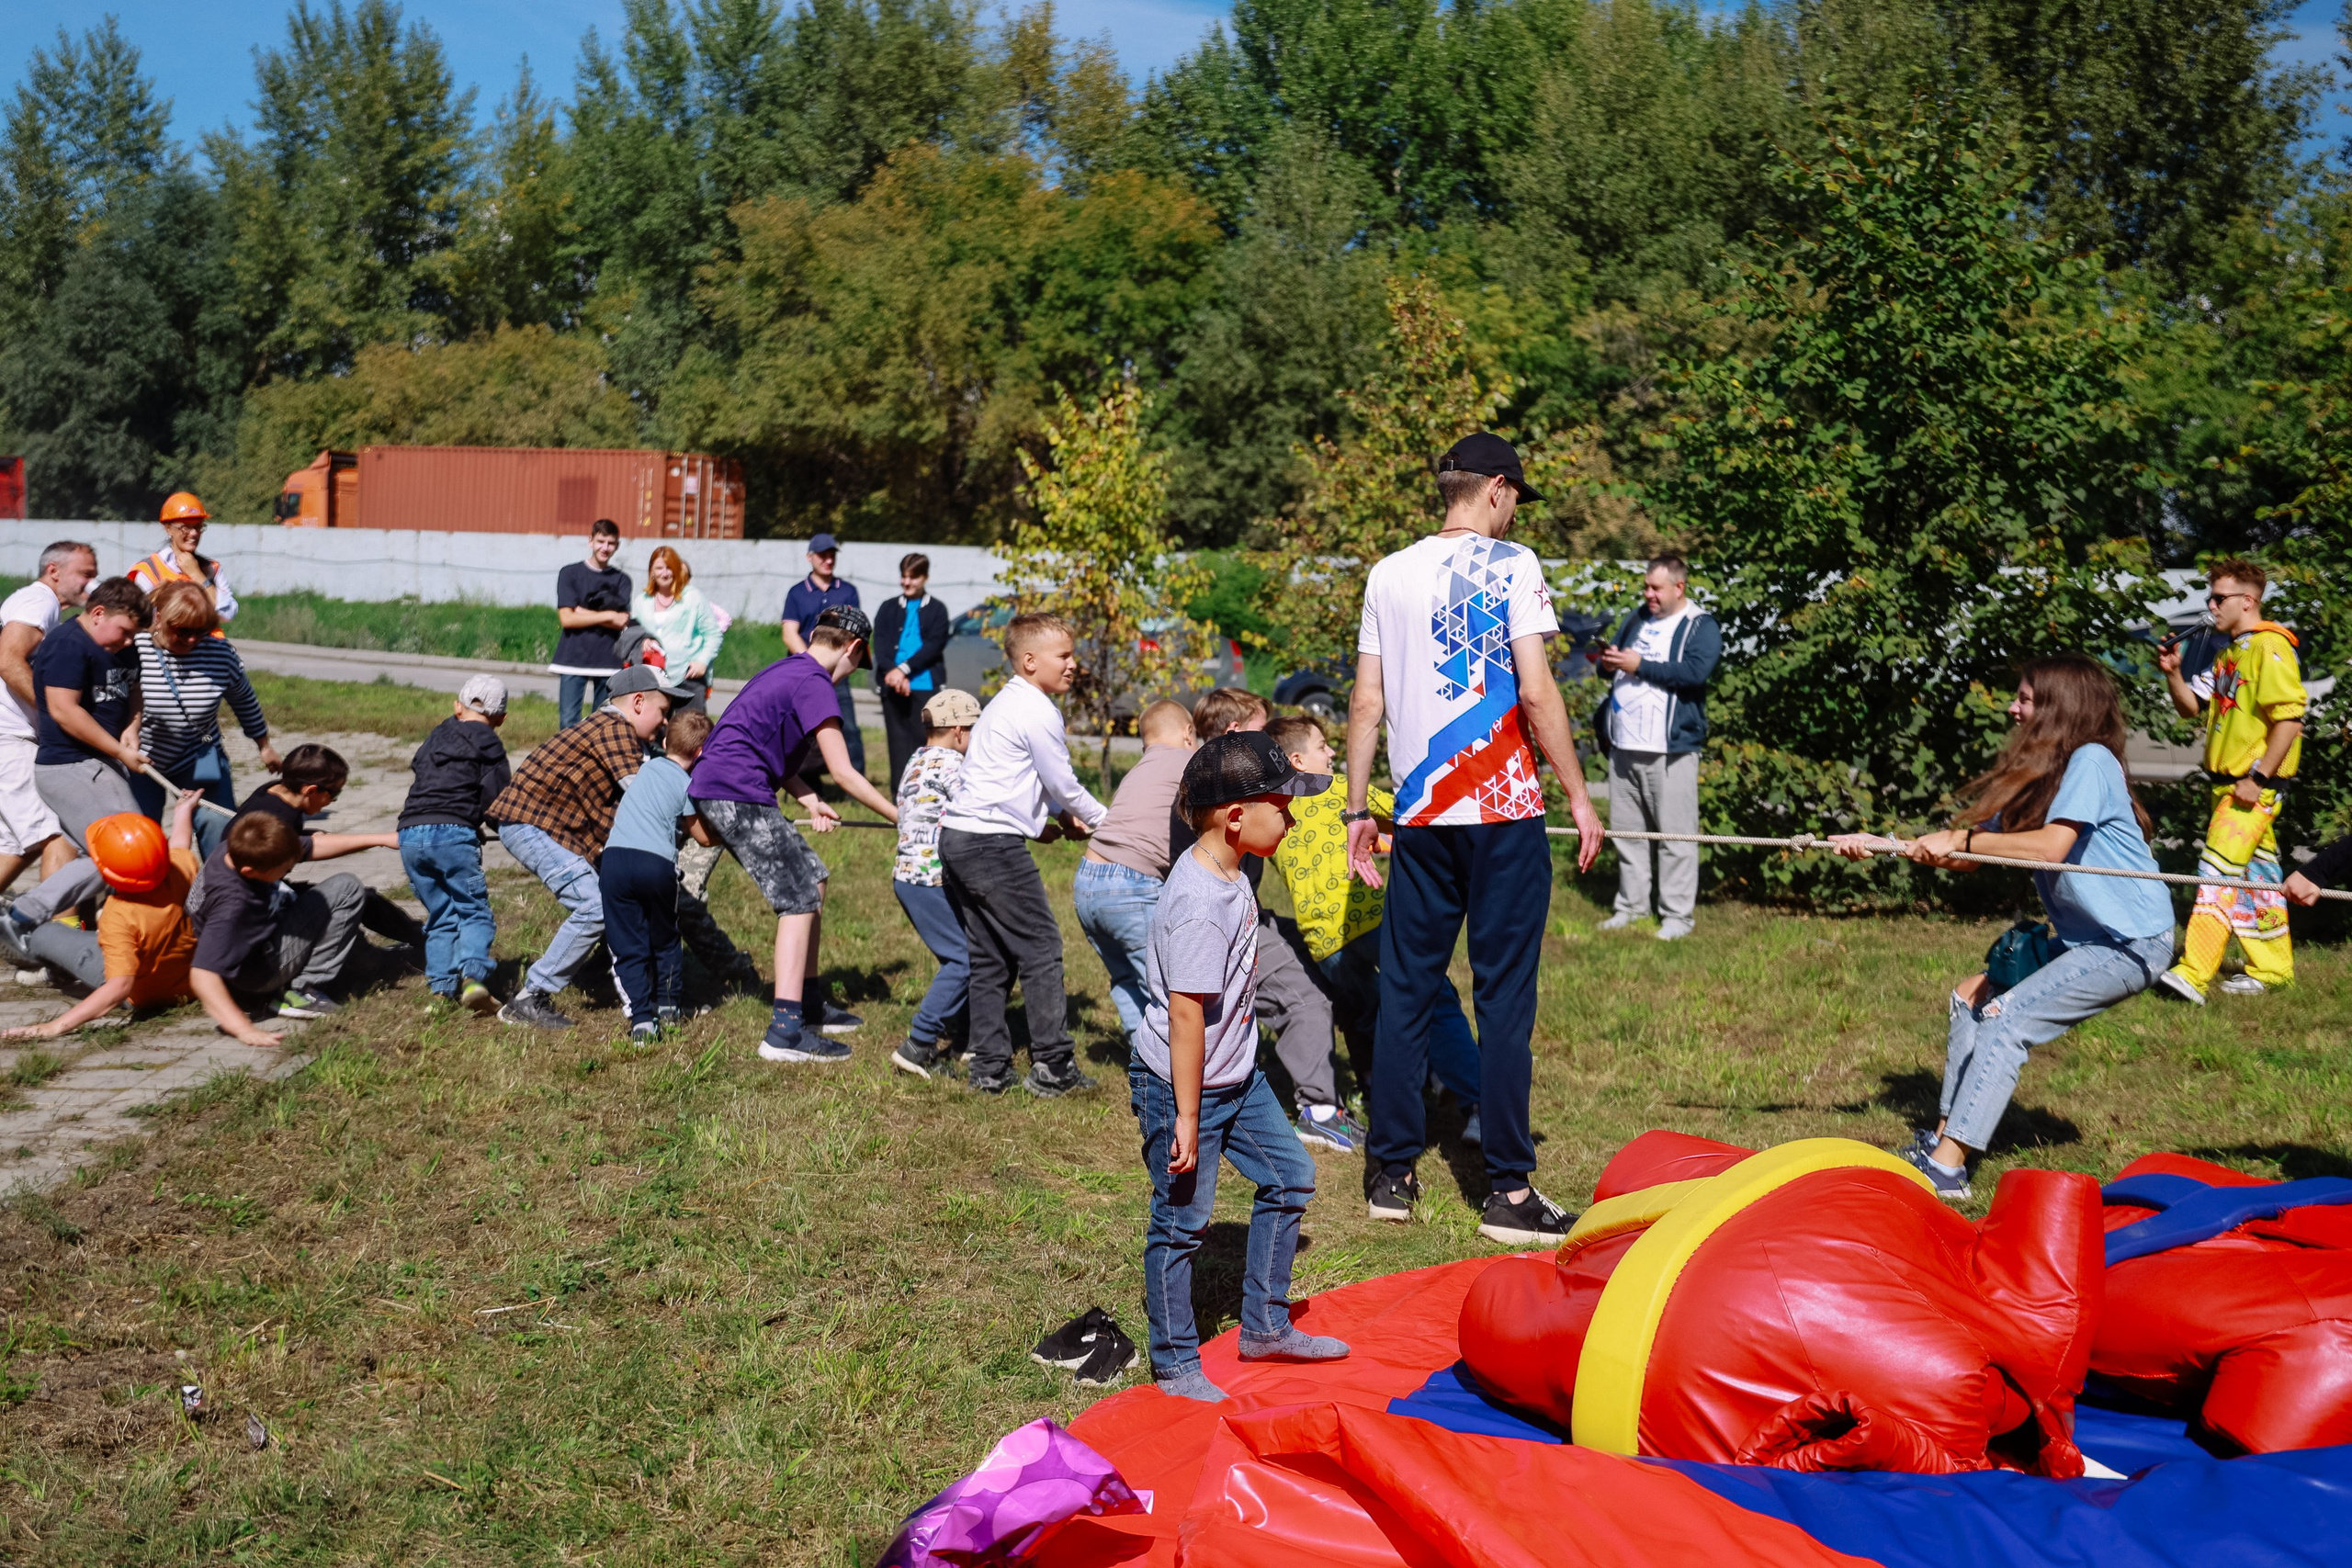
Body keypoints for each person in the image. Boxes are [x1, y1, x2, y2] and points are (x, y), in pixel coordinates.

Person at [1345, 433, 1604, 1247]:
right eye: (1517, 495)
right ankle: (1510, 1193)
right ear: (1495, 488)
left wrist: (1359, 811)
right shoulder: (1512, 564)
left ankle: (1390, 1174)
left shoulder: (1387, 573)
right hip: (1502, 814)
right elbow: (1534, 688)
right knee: (1503, 1001)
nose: (1516, 510)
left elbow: (1364, 702)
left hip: (1419, 819)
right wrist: (1578, 792)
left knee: (1408, 993)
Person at [1831, 655, 2176, 1201]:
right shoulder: (2041, 772)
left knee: (2004, 1019)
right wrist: (1884, 846)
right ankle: (1944, 1140)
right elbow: (1971, 852)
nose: (2014, 709)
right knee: (1972, 997)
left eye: (2026, 699)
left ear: (2059, 708)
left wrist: (1961, 842)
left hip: (2131, 940)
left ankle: (1946, 1172)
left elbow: (2049, 849)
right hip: (2085, 937)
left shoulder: (2092, 760)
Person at [1135, 730, 1348, 1404]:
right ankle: (1174, 1362)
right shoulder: (1199, 901)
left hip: (1236, 1077)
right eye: (1282, 806)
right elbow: (1187, 1015)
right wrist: (1189, 1118)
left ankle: (1264, 1326)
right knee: (1182, 1223)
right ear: (1236, 816)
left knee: (1292, 1174)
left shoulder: (1232, 870)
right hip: (1182, 1085)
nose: (1291, 817)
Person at [690, 604, 899, 1063]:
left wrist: (807, 797)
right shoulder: (815, 683)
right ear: (854, 647)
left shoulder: (789, 669)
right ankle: (784, 1031)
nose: (850, 675)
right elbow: (844, 773)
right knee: (799, 896)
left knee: (813, 875)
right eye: (856, 665)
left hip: (733, 785)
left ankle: (807, 1000)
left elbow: (766, 747)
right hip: (735, 792)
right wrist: (899, 816)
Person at [1265, 715, 1483, 1147]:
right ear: (1297, 759)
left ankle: (1400, 1105)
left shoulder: (1273, 806)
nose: (1331, 753)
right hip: (1374, 922)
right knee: (1433, 1000)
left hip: (1325, 944)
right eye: (1322, 745)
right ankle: (1479, 1104)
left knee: (1380, 1018)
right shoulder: (1341, 788)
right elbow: (1406, 810)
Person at [937, 612, 1106, 1097]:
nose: (1074, 664)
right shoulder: (1037, 709)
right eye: (1065, 656)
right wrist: (1108, 822)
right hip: (990, 845)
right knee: (1040, 947)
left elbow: (1021, 778)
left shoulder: (1005, 703)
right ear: (1031, 661)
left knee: (990, 957)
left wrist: (1047, 817)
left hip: (958, 838)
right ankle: (1053, 1064)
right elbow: (1062, 782)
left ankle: (989, 1067)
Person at [1174, 689, 1350, 1151]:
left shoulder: (1212, 792)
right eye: (1261, 733)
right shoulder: (1205, 897)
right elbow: (1185, 1009)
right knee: (1307, 1001)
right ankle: (1320, 1111)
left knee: (1313, 949)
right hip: (1228, 922)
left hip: (1246, 908)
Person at [489, 664, 675, 1029]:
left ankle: (593, 973)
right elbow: (644, 796)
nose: (665, 723)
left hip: (544, 826)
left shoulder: (610, 729)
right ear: (638, 702)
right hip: (531, 825)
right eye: (663, 712)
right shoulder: (614, 727)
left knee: (616, 897)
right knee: (594, 907)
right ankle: (530, 997)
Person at [2155, 557, 2306, 1002]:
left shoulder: (2269, 648)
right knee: (2259, 877)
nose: (2211, 605)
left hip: (2251, 786)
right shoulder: (2230, 653)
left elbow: (2290, 720)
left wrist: (2258, 778)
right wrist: (2174, 674)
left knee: (2216, 874)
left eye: (2219, 598)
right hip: (2228, 784)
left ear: (2248, 600)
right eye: (2210, 596)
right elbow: (2190, 707)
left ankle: (2194, 973)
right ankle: (2274, 969)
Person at [2, 576, 153, 953]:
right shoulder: (67, 645)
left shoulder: (123, 645)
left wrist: (132, 728)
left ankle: (31, 919)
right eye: (124, 632)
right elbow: (64, 712)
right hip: (71, 765)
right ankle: (31, 918)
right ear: (98, 613)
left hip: (104, 762)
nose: (129, 642)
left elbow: (133, 691)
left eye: (134, 635)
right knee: (132, 851)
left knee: (103, 854)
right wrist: (120, 752)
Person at [1595, 555, 1721, 941]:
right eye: (1646, 587)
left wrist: (1638, 664)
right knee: (1627, 833)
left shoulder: (1699, 625)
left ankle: (1677, 916)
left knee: (1676, 837)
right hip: (1625, 744)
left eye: (1656, 588)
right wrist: (1610, 661)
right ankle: (1631, 907)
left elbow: (1695, 673)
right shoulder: (1637, 618)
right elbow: (1615, 663)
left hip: (1672, 749)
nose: (1648, 594)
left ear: (1679, 587)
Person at [0, 795, 204, 1033]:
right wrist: (183, 810)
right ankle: (56, 967)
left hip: (143, 996)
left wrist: (53, 1027)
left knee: (45, 933)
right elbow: (180, 843)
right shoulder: (180, 869)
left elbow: (120, 986)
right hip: (191, 983)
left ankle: (50, 969)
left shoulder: (118, 915)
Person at [1073, 700, 1195, 1051]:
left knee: (1125, 976)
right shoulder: (1187, 761)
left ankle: (1142, 1053)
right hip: (1131, 885)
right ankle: (1179, 1068)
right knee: (1165, 986)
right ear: (1189, 733)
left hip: (1087, 881)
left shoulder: (1140, 768)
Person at [129, 581, 280, 863]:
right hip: (142, 762)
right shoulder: (134, 649)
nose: (192, 640)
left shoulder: (220, 654)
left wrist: (263, 745)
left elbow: (244, 700)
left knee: (218, 827)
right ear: (159, 617)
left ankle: (219, 893)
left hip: (198, 758)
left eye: (202, 631)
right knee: (140, 837)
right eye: (183, 631)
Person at [189, 808, 369, 1034]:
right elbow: (202, 974)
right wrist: (243, 1029)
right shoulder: (233, 905)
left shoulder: (231, 849)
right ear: (250, 871)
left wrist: (379, 839)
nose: (289, 869)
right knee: (346, 888)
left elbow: (308, 848)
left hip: (254, 947)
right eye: (284, 869)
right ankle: (303, 990)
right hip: (259, 973)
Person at [398, 676, 513, 1017]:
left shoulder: (436, 736)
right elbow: (496, 800)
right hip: (453, 833)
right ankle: (474, 978)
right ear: (501, 719)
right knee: (472, 909)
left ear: (457, 707)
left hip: (409, 832)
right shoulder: (490, 744)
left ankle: (439, 992)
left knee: (440, 913)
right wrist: (498, 827)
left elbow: (421, 769)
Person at [234, 745, 421, 950]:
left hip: (269, 891)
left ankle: (420, 939)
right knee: (351, 903)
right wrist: (381, 838)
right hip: (260, 909)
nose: (333, 800)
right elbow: (305, 848)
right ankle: (389, 959)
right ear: (311, 790)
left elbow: (295, 839)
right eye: (334, 794)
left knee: (365, 899)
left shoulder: (273, 792)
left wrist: (310, 834)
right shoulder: (279, 813)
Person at [602, 710, 716, 1044]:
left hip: (615, 862)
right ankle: (667, 1004)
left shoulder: (646, 767)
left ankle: (641, 1019)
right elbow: (703, 837)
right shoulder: (687, 784)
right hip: (656, 865)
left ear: (665, 742)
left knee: (628, 942)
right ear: (699, 754)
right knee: (664, 937)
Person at [888, 689, 979, 1079]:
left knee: (961, 954)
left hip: (909, 877)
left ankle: (966, 1037)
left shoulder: (917, 759)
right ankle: (918, 1043)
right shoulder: (952, 764)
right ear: (959, 730)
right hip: (929, 878)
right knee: (964, 958)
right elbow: (978, 807)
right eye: (975, 731)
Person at [0, 541, 96, 900]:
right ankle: (57, 934)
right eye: (85, 573)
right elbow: (8, 661)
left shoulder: (42, 606)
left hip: (10, 736)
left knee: (16, 845)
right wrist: (54, 711)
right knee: (58, 832)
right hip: (9, 737)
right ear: (54, 571)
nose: (91, 581)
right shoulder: (38, 601)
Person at [780, 533, 866, 779]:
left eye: (832, 555)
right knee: (802, 727)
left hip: (837, 673)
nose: (828, 560)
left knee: (847, 726)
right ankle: (804, 778)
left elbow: (854, 632)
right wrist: (813, 663)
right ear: (810, 558)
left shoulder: (847, 592)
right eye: (822, 555)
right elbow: (789, 634)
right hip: (803, 673)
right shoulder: (797, 593)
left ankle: (854, 781)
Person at [871, 553, 952, 793]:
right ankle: (899, 795)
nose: (907, 582)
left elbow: (934, 646)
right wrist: (892, 673)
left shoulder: (937, 609)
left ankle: (924, 791)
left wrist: (904, 670)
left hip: (924, 685)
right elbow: (881, 645)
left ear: (924, 578)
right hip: (892, 684)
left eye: (913, 577)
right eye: (904, 577)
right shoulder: (888, 608)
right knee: (897, 743)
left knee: (923, 741)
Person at [553, 518, 632, 728]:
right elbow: (567, 619)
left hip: (608, 660)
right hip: (572, 659)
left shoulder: (622, 580)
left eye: (611, 543)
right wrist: (608, 616)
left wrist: (581, 612)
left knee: (601, 724)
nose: (605, 548)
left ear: (617, 545)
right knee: (568, 722)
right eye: (600, 541)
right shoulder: (569, 573)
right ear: (590, 541)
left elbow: (622, 621)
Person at [630, 546, 724, 714]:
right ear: (651, 571)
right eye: (659, 568)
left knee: (689, 733)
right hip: (652, 679)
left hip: (688, 676)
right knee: (653, 735)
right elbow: (630, 635)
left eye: (669, 568)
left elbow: (713, 634)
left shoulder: (692, 597)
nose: (665, 573)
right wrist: (641, 641)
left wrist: (702, 661)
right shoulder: (641, 602)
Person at [129, 492, 237, 626]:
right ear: (168, 528)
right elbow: (142, 620)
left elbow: (228, 614)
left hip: (207, 644)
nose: (194, 533)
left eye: (198, 526)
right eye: (185, 527)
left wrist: (197, 575)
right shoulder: (149, 570)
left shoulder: (212, 569)